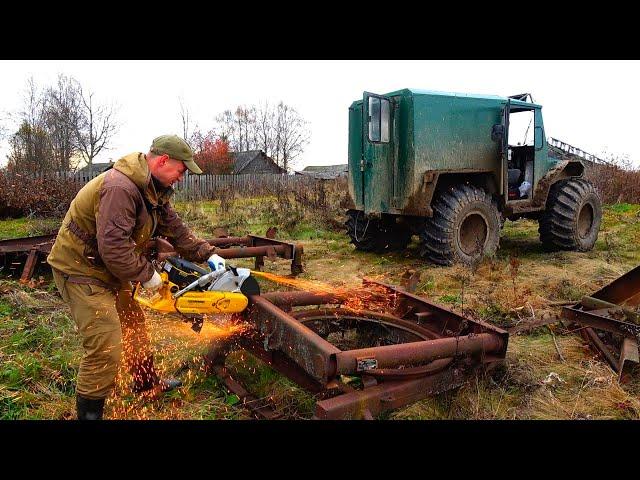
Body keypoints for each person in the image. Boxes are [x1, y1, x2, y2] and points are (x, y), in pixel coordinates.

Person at [47, 134, 220, 420]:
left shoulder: (152, 188)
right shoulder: (120, 187)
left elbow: (173, 227)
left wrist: (207, 253)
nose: (181, 177)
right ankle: (89, 416)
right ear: (163, 160)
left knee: (134, 327)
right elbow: (113, 248)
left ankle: (146, 385)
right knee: (105, 346)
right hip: (81, 270)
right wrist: (147, 275)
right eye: (181, 170)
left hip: (108, 270)